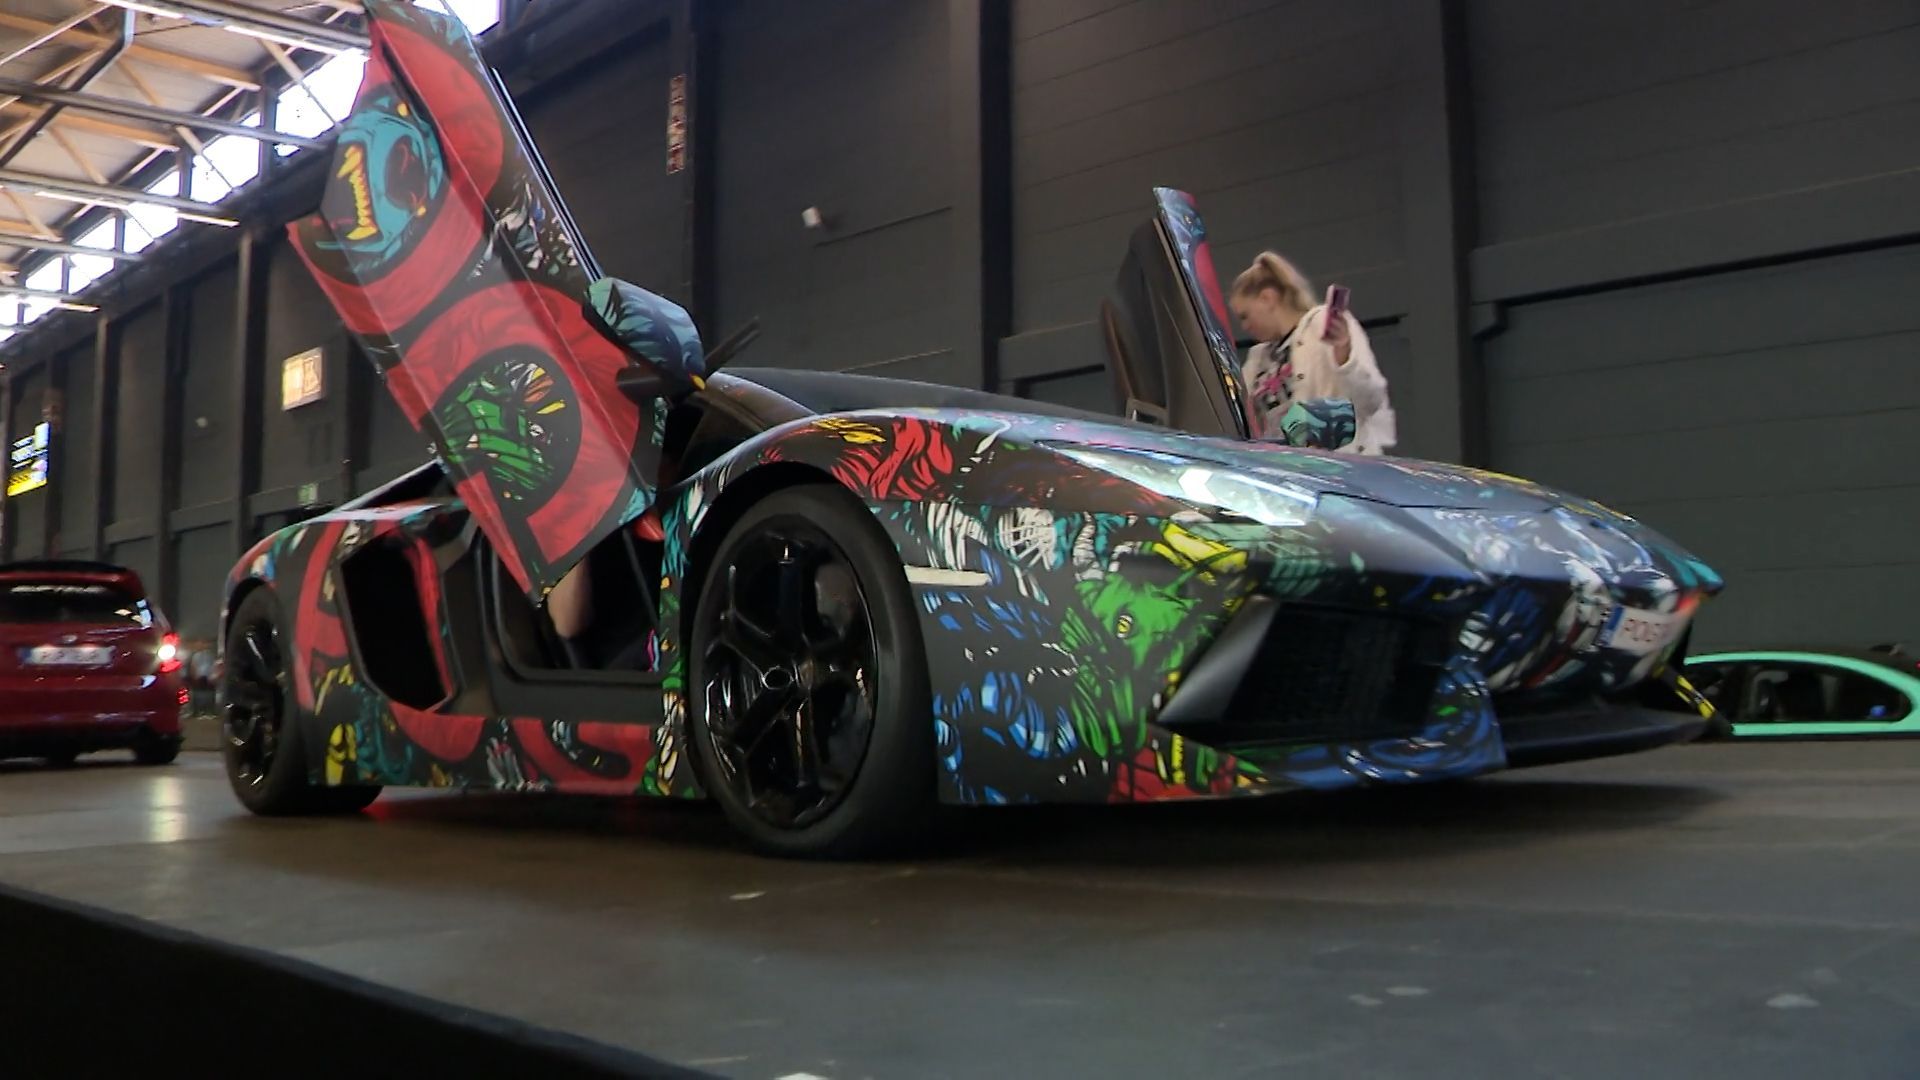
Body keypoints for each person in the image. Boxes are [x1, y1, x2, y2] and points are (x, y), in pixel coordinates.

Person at [1229, 252, 1396, 455]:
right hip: (1282, 467)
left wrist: (1344, 355)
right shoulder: (1257, 359)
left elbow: (1370, 400)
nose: (1244, 326)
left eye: (1245, 316)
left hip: (1336, 465)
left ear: (1267, 298)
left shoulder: (1319, 326)